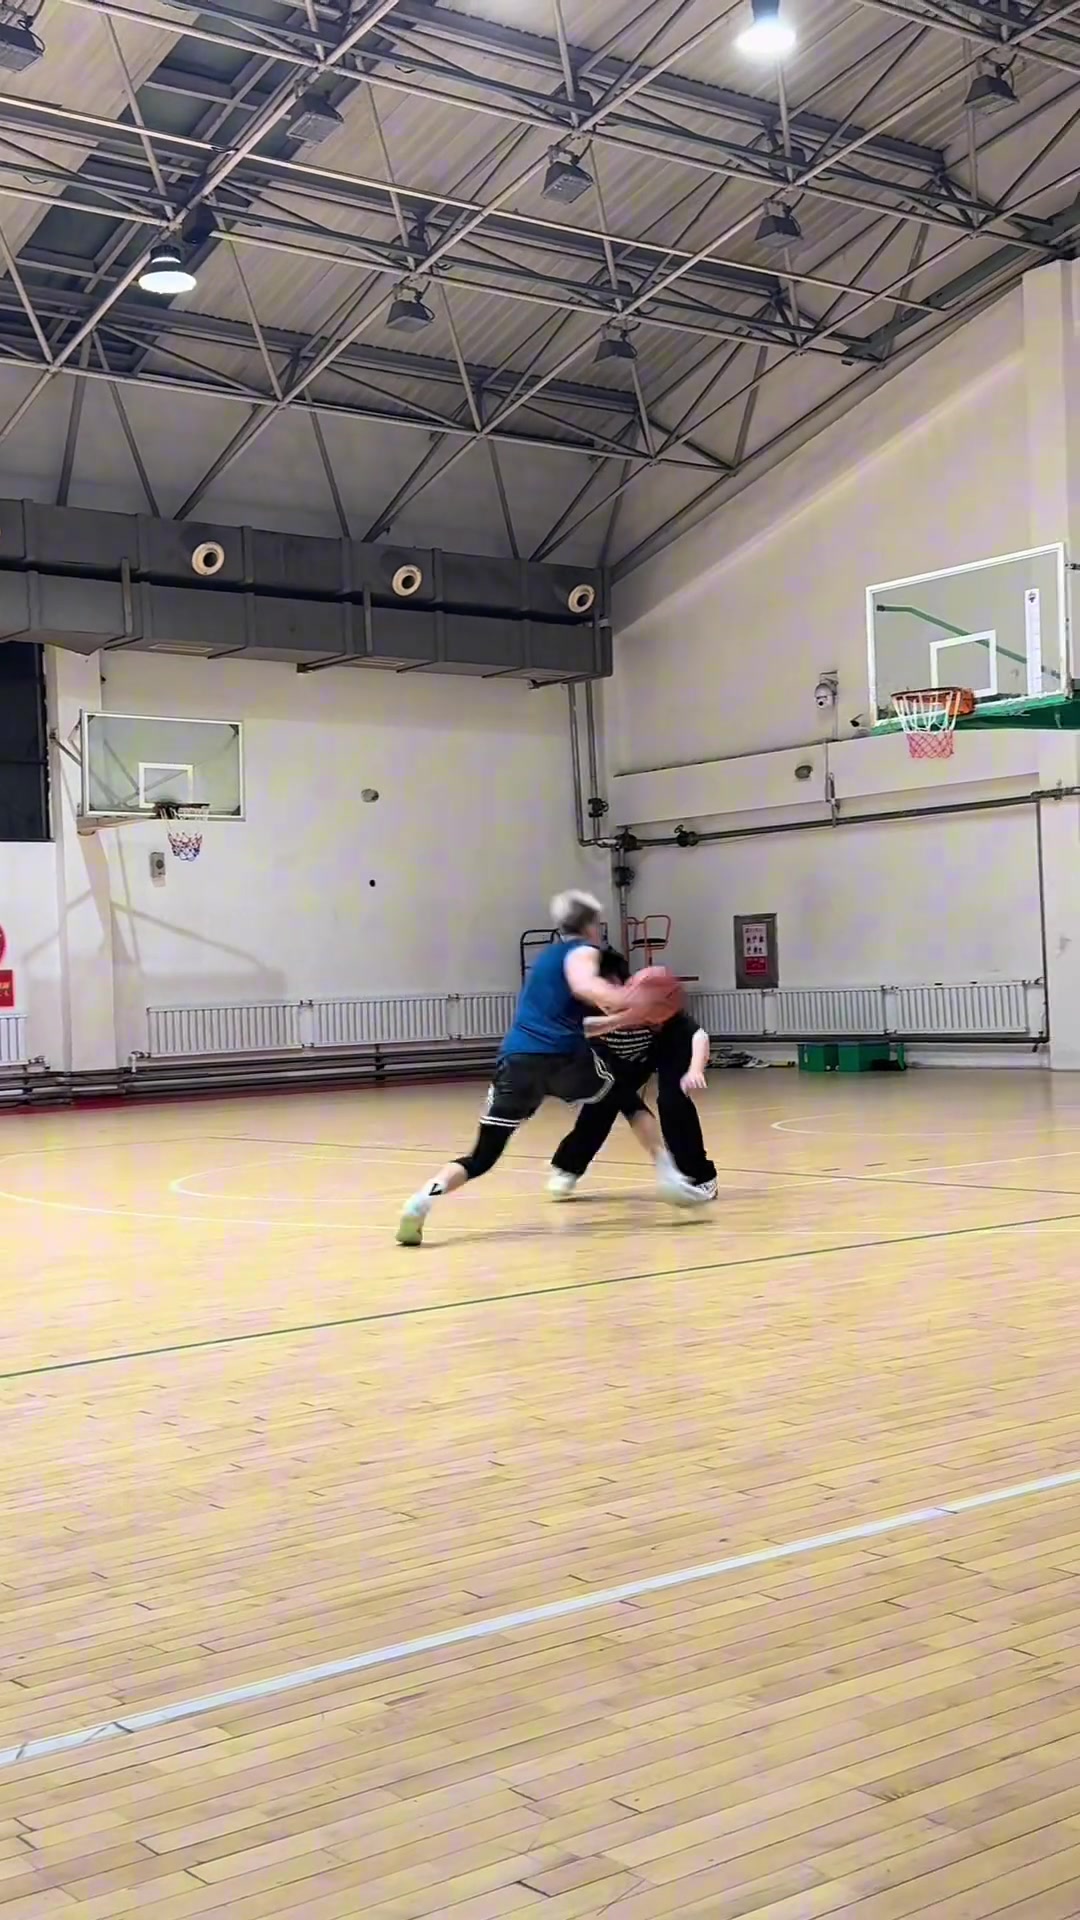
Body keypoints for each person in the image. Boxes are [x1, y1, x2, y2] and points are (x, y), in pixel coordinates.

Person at [396, 892, 703, 1245]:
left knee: (481, 1157)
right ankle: (667, 1173)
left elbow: (583, 1021)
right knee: (626, 1099)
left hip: (517, 1060)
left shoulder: (545, 963)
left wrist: (623, 1016)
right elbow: (587, 986)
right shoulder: (583, 951)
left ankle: (422, 1199)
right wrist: (631, 999)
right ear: (592, 926)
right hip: (563, 1058)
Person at [548, 946, 717, 1203]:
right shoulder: (584, 1009)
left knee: (673, 1101)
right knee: (601, 1105)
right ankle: (568, 1167)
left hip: (659, 1051)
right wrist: (621, 1019)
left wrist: (695, 1070)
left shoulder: (653, 999)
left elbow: (698, 1035)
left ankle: (700, 1177)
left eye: (609, 987)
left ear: (624, 984)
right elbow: (576, 1031)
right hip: (614, 1061)